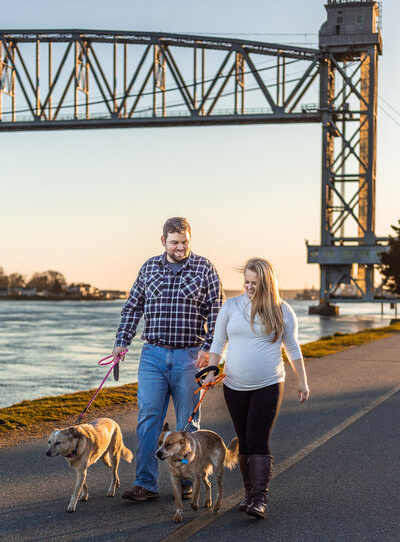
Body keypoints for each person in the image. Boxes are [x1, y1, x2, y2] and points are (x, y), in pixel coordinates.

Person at [112, 217, 224, 502]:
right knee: (149, 420)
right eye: (175, 242)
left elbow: (218, 312)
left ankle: (188, 479)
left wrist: (209, 349)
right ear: (163, 241)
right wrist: (121, 342)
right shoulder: (149, 267)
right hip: (152, 354)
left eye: (185, 242)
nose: (180, 247)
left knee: (187, 423)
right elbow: (132, 306)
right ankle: (145, 484)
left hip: (190, 356)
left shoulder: (204, 268)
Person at [203, 257, 309, 519]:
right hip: (234, 385)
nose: (249, 287)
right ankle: (249, 494)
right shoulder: (231, 306)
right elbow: (218, 342)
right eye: (246, 282)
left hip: (268, 384)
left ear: (267, 282)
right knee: (244, 439)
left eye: (255, 283)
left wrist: (303, 380)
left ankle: (260, 498)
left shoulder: (282, 310)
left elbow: (292, 348)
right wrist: (210, 370)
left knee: (258, 437)